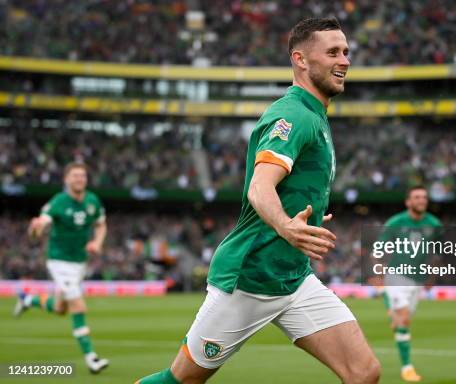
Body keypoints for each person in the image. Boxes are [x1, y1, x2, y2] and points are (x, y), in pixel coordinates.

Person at [136, 17, 380, 384]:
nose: (344, 60)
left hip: (293, 279)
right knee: (181, 380)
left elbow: (284, 192)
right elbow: (259, 188)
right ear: (300, 59)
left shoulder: (315, 115)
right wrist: (286, 226)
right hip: (251, 278)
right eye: (332, 52)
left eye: (346, 51)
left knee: (363, 373)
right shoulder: (293, 114)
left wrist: (304, 224)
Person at [14, 162, 109, 374]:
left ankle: (27, 299)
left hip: (79, 262)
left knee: (60, 308)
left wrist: (97, 243)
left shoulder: (92, 201)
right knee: (78, 307)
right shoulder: (58, 202)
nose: (79, 179)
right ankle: (91, 358)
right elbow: (39, 228)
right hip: (59, 261)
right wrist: (34, 229)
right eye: (75, 176)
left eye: (82, 176)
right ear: (66, 179)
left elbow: (101, 223)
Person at [380, 186, 441, 382]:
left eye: (424, 197)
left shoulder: (434, 224)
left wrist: (432, 276)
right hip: (397, 276)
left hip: (417, 281)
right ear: (408, 202)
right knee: (404, 321)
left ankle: (391, 308)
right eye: (417, 197)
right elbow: (379, 251)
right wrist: (378, 275)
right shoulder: (396, 223)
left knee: (402, 321)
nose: (422, 200)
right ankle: (407, 367)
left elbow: (436, 253)